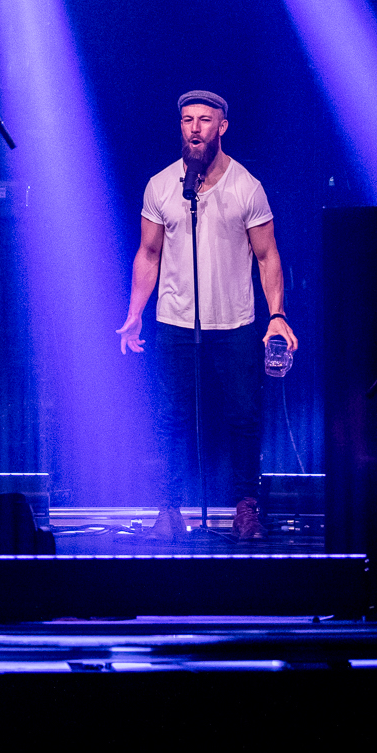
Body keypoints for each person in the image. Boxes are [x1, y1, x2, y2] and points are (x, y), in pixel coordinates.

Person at [118, 91, 295, 541]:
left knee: (243, 417)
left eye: (204, 120)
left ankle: (245, 509)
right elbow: (149, 253)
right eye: (187, 120)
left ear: (222, 127)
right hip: (175, 321)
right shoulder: (161, 185)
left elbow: (268, 256)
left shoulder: (246, 186)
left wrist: (276, 314)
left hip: (234, 322)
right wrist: (135, 312)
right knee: (171, 418)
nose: (194, 128)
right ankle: (168, 510)